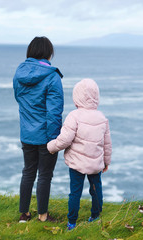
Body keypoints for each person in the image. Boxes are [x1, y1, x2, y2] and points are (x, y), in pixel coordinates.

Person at [47, 78, 112, 230]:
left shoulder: (74, 116)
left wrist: (51, 146)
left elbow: (64, 140)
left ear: (77, 97)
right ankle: (96, 216)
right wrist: (106, 161)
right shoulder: (102, 117)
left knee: (75, 192)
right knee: (96, 190)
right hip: (96, 163)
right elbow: (107, 143)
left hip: (77, 163)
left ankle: (72, 222)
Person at [13, 36, 64, 223]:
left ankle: (24, 214)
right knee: (44, 175)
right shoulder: (52, 76)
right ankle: (43, 215)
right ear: (49, 53)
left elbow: (20, 100)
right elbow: (54, 113)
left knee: (28, 171)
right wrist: (53, 140)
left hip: (26, 133)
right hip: (45, 136)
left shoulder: (19, 74)